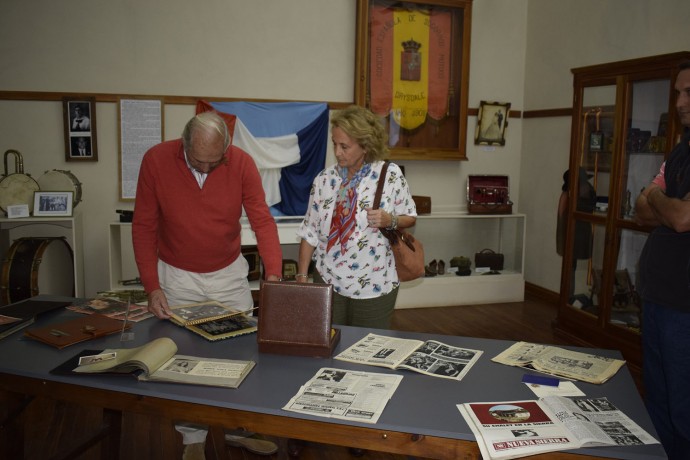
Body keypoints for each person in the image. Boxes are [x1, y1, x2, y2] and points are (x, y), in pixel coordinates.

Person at [132, 111, 282, 460]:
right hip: (177, 275)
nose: (206, 169)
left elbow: (261, 217)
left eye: (215, 162)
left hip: (228, 274)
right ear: (184, 144)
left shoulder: (240, 162)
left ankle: (236, 426)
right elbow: (143, 226)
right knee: (185, 356)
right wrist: (152, 286)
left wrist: (272, 275)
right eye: (199, 161)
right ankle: (192, 436)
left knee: (239, 353)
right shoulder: (156, 160)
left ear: (226, 150)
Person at [296, 105, 417, 330]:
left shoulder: (389, 175)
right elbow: (310, 232)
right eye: (334, 144)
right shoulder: (324, 180)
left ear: (365, 145)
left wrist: (389, 220)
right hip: (328, 280)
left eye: (345, 146)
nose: (338, 152)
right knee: (329, 344)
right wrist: (302, 276)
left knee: (367, 350)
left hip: (375, 283)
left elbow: (409, 217)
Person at [634, 60, 690, 460]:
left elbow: (681, 218)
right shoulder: (682, 148)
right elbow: (642, 210)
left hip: (684, 308)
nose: (680, 102)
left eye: (689, 93)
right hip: (656, 298)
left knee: (684, 410)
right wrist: (661, 201)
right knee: (658, 403)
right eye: (677, 93)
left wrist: (656, 196)